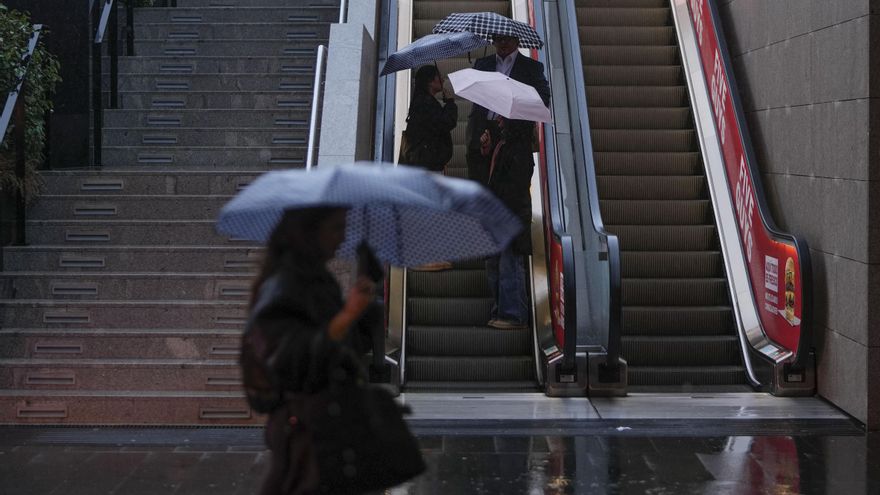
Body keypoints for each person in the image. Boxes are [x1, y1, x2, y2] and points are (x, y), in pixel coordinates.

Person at [248, 207, 379, 495]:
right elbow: (290, 356)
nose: (342, 237)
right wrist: (347, 315)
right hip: (304, 423)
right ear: (309, 233)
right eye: (335, 228)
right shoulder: (286, 285)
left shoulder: (316, 280)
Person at [465, 34, 550, 186]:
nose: (503, 43)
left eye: (507, 39)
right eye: (499, 39)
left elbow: (543, 98)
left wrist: (513, 115)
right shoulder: (483, 64)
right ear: (493, 41)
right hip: (483, 136)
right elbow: (476, 98)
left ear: (517, 41)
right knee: (482, 196)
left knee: (514, 197)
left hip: (515, 139)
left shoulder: (531, 67)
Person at [482, 117, 534, 329]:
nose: (499, 121)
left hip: (510, 216)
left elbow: (514, 187)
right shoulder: (504, 145)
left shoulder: (520, 151)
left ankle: (514, 314)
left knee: (509, 264)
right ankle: (501, 309)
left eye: (503, 118)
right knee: (494, 264)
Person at [399, 64, 457, 172]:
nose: (443, 80)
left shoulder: (423, 102)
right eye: (439, 76)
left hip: (425, 164)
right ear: (430, 81)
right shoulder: (426, 104)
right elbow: (447, 122)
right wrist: (450, 103)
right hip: (427, 166)